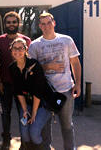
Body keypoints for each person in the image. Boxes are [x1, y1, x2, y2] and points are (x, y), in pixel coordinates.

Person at [28, 12, 81, 150]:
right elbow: (31, 70)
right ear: (40, 26)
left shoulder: (66, 40)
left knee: (67, 125)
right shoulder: (35, 45)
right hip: (45, 93)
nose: (46, 26)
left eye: (49, 22)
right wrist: (48, 66)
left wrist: (78, 83)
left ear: (54, 23)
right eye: (43, 24)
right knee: (45, 128)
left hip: (66, 91)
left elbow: (75, 62)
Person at [0, 11, 31, 149]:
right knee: (6, 113)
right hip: (5, 84)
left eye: (14, 22)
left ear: (18, 23)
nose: (11, 25)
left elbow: (30, 62)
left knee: (23, 112)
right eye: (8, 22)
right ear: (5, 24)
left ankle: (25, 140)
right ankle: (6, 138)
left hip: (22, 85)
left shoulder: (26, 40)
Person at [9, 38, 51, 150]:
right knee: (25, 135)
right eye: (15, 48)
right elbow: (18, 91)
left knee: (34, 133)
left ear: (26, 50)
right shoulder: (12, 68)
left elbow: (38, 91)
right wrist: (24, 110)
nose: (17, 51)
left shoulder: (34, 64)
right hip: (26, 103)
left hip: (42, 103)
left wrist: (33, 113)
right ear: (11, 50)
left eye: (20, 48)